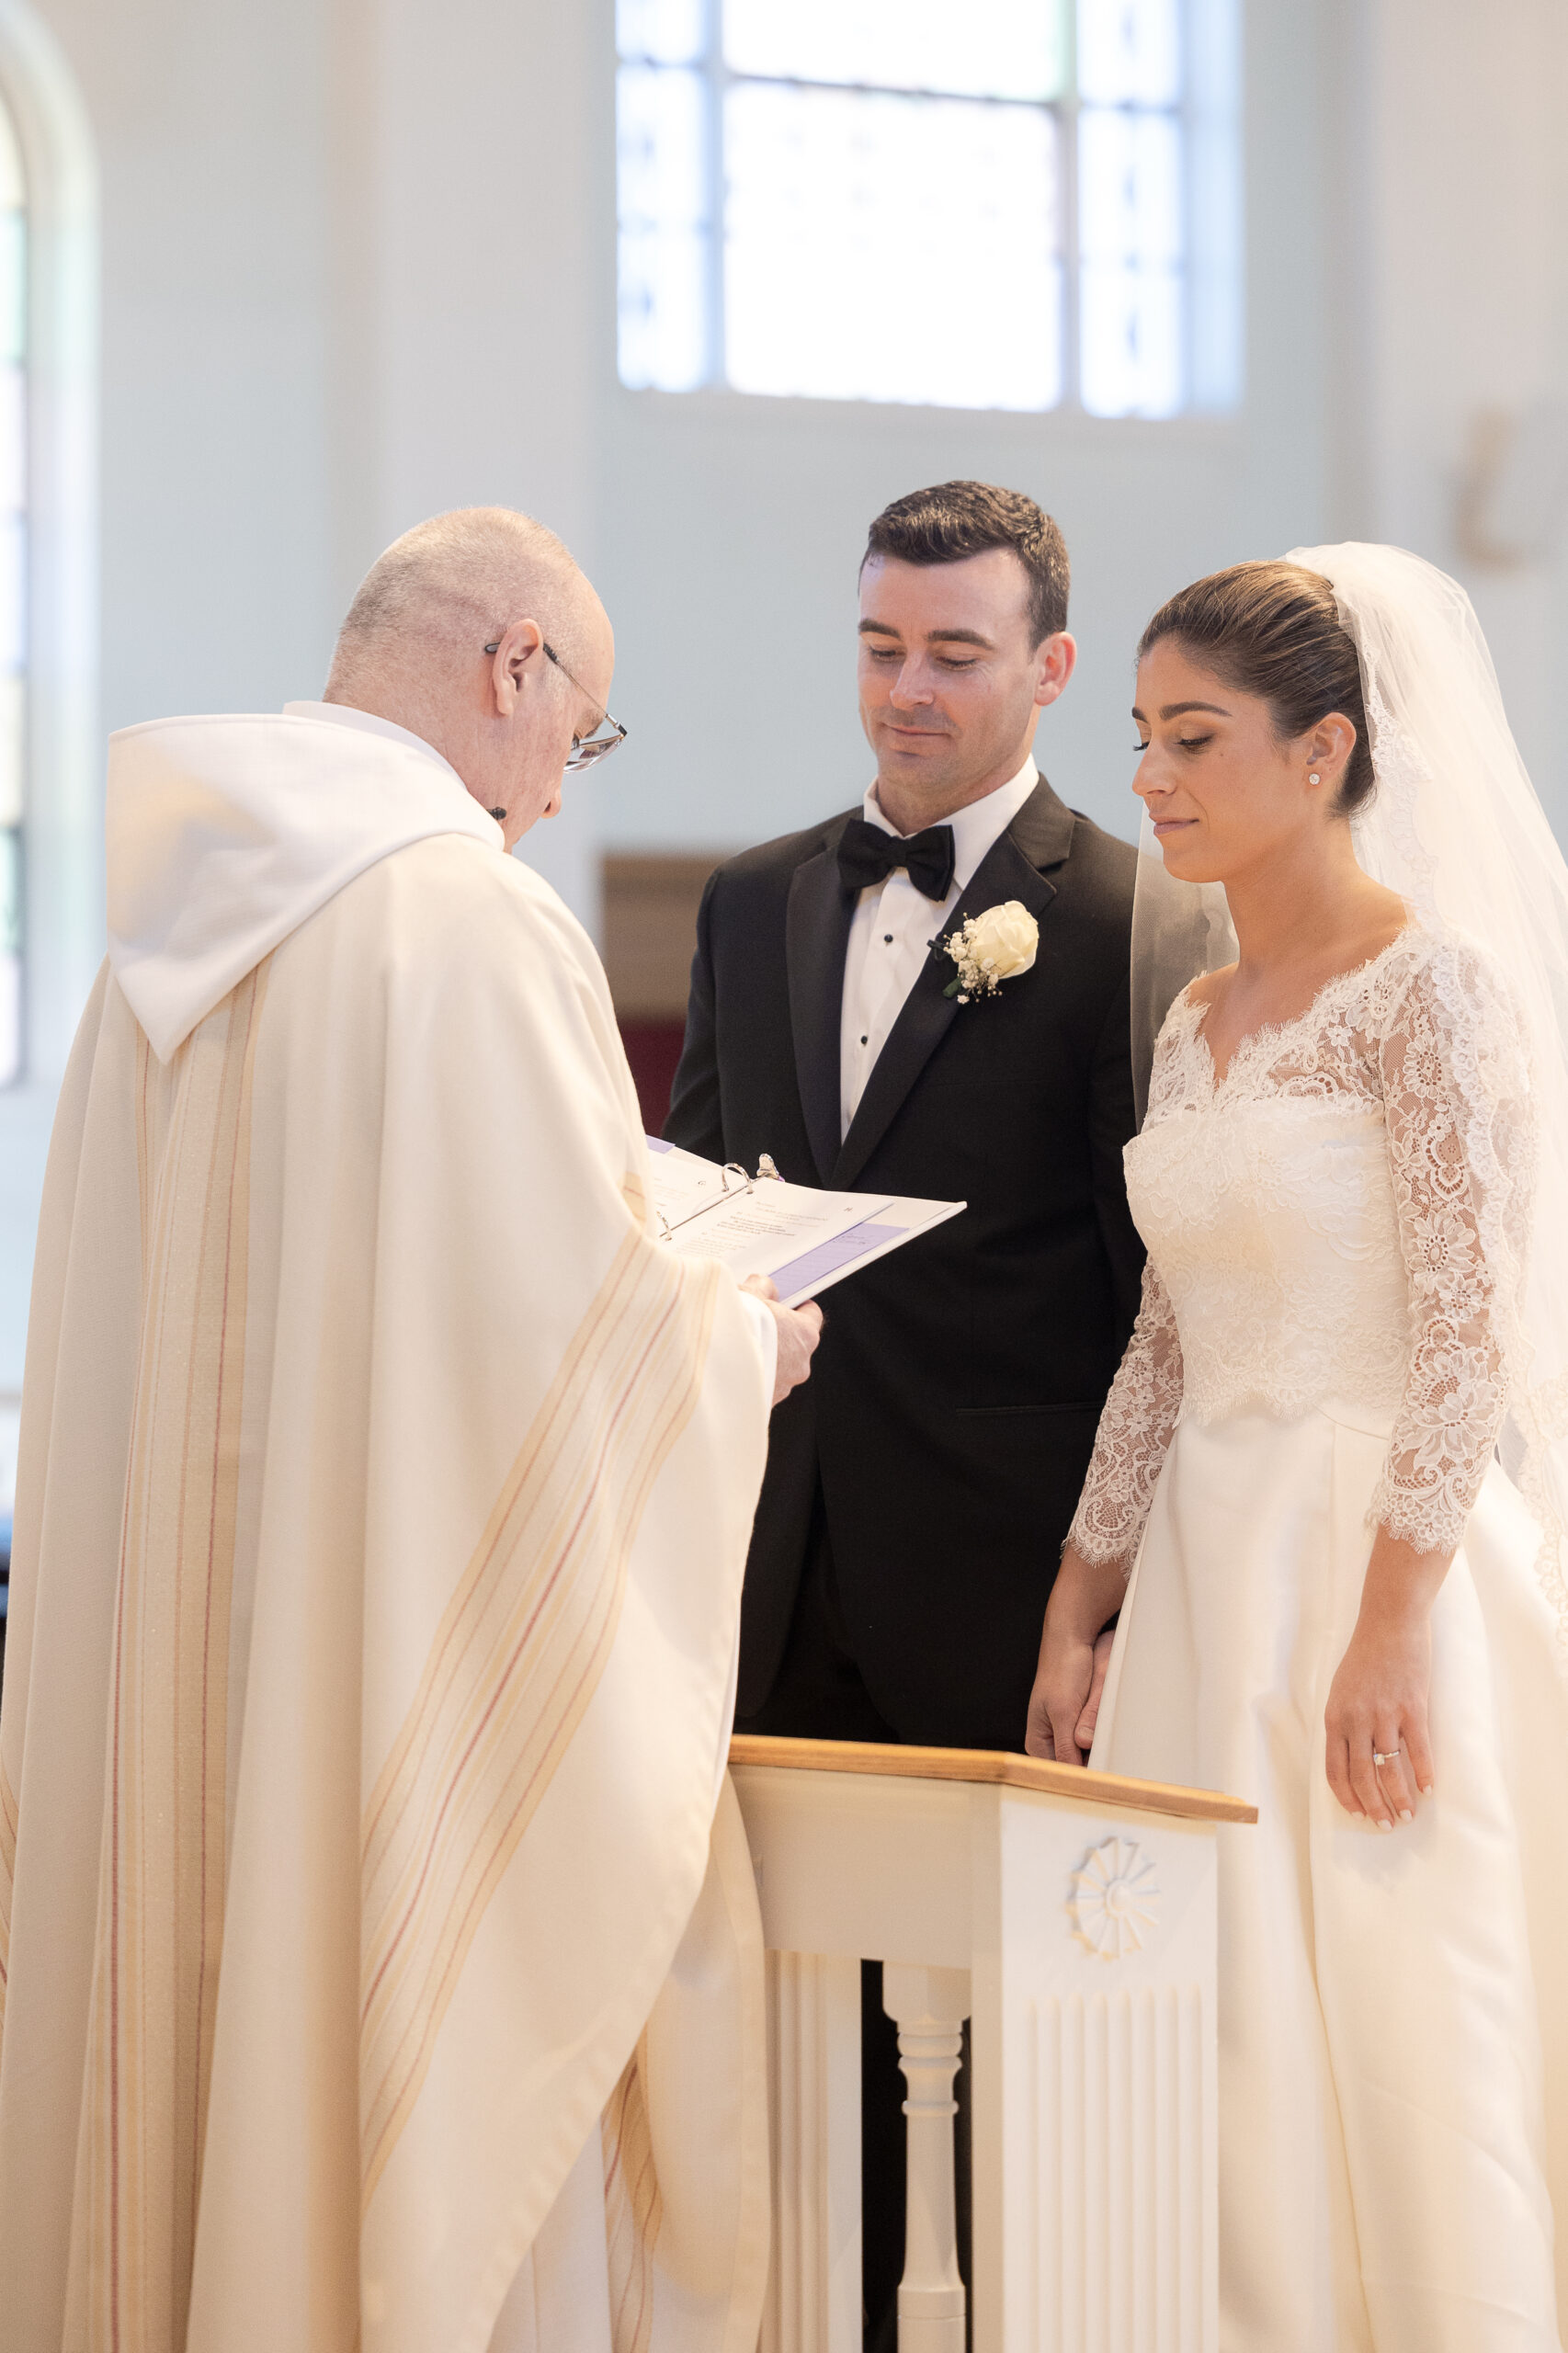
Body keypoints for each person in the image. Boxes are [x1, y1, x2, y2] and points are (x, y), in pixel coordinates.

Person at [0, 506, 823, 2353]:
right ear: (513, 664)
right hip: (358, 1694)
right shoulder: (462, 918)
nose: (551, 797)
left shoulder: (160, 945)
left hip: (180, 1703)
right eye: (579, 734)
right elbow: (559, 1327)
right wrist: (738, 1340)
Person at [1028, 547, 1568, 2350]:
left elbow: (1467, 1338)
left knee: (1392, 1993)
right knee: (1210, 2012)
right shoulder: (1197, 1022)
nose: (1153, 776)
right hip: (1203, 1557)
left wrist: (1395, 1618)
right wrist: (1077, 1596)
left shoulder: (1433, 991)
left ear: (1325, 747)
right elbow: (1167, 1336)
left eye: (1195, 736)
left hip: (1369, 1555)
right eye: (1138, 736)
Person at [667, 479, 1142, 1754]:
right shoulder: (748, 899)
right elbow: (704, 1214)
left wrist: (1111, 1610)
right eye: (881, 649)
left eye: (954, 655)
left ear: (1051, 667)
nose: (904, 690)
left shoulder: (1123, 919)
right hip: (759, 1565)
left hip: (997, 1578)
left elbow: (1150, 1290)